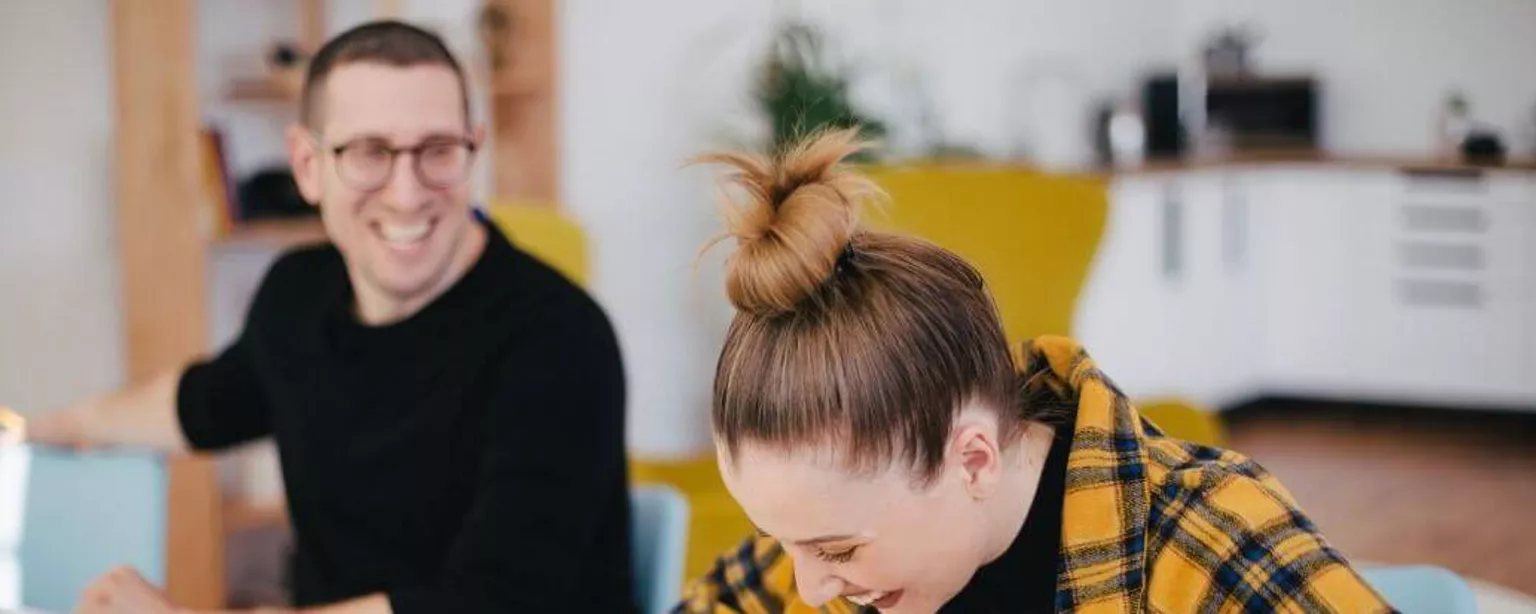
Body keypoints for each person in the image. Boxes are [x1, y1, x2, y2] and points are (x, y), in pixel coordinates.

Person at [26, 20, 637, 614]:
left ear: (472, 148)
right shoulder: (298, 293)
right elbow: (208, 402)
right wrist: (49, 426)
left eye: (438, 150)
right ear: (307, 165)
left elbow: (494, 600)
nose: (407, 193)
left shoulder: (560, 338)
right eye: (370, 153)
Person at [672, 128, 1394, 614]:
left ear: (975, 459)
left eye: (836, 549)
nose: (808, 585)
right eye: (783, 540)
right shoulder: (833, 529)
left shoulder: (1206, 537)